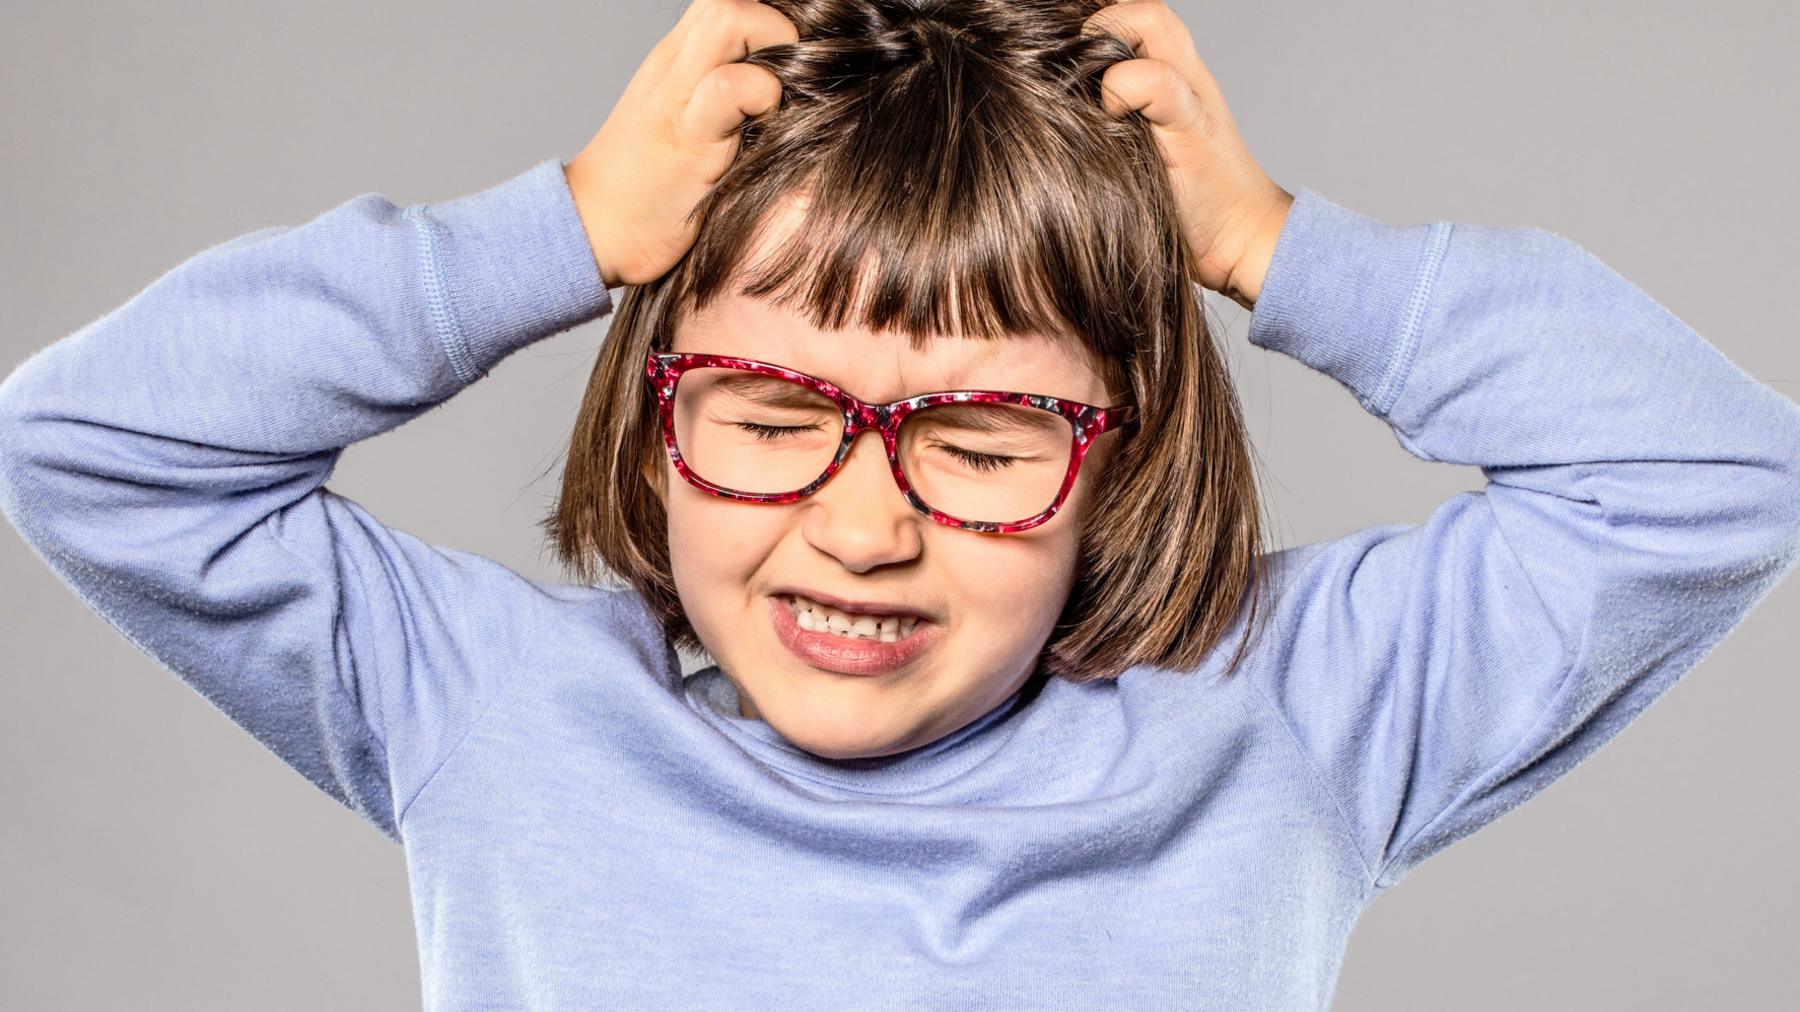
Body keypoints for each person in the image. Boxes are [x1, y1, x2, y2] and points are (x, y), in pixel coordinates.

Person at [0, 0, 1795, 1008]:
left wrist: (1266, 245)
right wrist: (555, 229)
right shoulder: (498, 711)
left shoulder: (1285, 723)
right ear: (649, 418)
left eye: (986, 439)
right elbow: (89, 448)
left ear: (1125, 455)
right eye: (775, 416)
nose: (862, 528)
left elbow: (1707, 478)